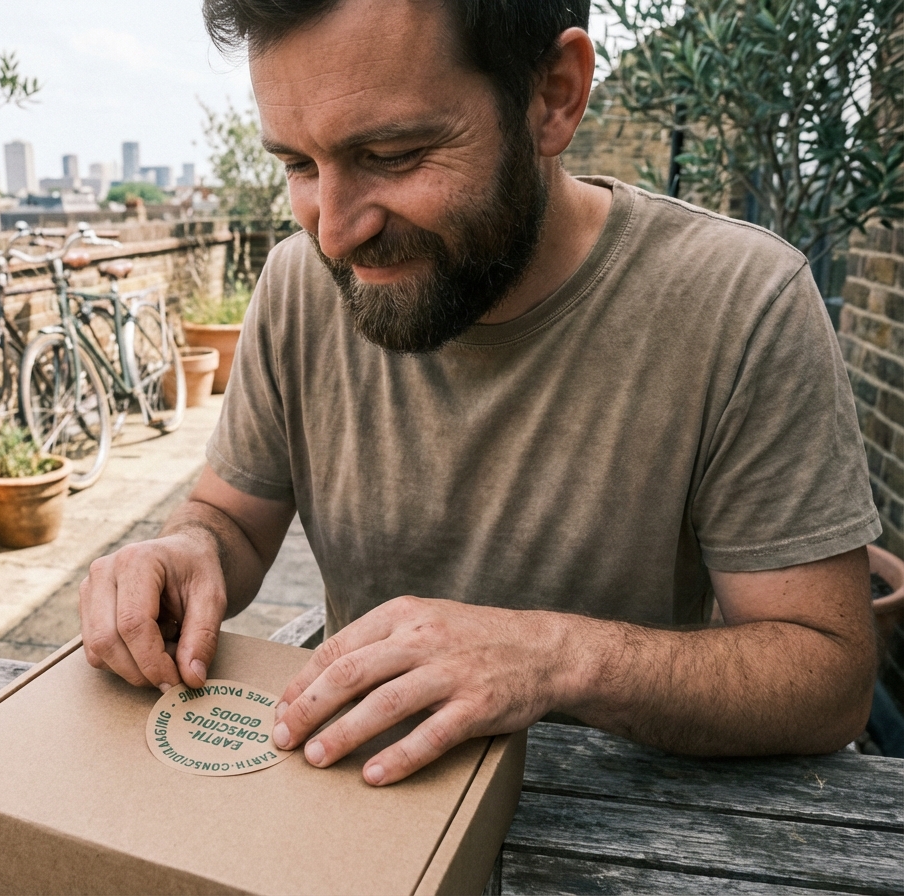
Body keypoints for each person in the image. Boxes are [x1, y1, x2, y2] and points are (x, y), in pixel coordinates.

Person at [79, 0, 881, 786]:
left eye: (393, 154)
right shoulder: (298, 286)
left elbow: (828, 677)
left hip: (618, 820)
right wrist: (187, 549)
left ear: (553, 96)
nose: (332, 232)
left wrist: (555, 657)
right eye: (298, 164)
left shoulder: (739, 301)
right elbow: (231, 521)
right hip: (352, 800)